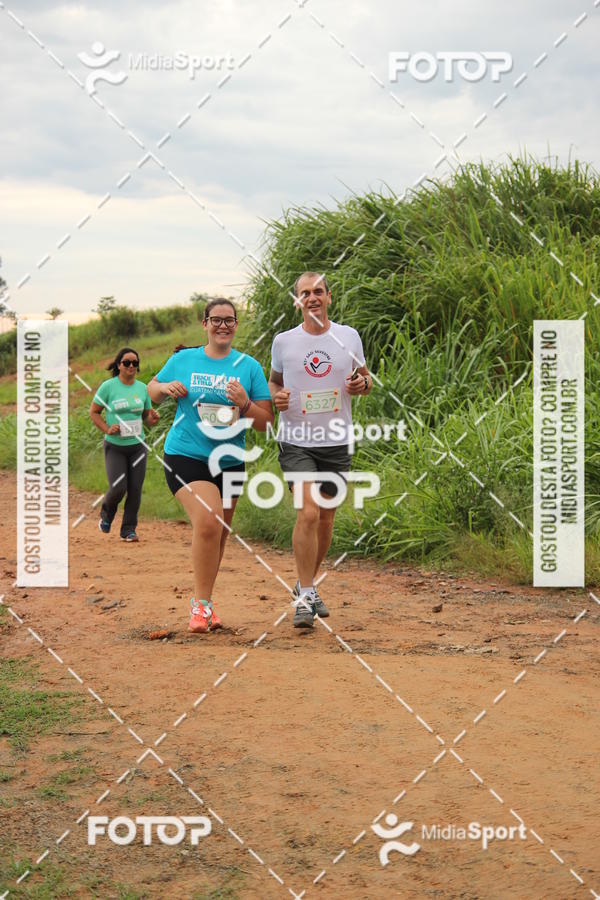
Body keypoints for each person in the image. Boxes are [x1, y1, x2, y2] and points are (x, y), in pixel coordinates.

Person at [147, 298, 273, 634]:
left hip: (230, 462)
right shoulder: (183, 359)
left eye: (229, 320)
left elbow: (265, 423)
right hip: (185, 454)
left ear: (236, 325)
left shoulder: (249, 367)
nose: (222, 325)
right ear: (205, 324)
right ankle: (199, 607)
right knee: (209, 521)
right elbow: (152, 391)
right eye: (215, 319)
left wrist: (245, 403)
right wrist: (163, 386)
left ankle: (207, 603)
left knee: (217, 535)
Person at [268, 272, 372, 629]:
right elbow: (275, 382)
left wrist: (362, 384)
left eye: (318, 292)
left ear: (328, 297)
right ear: (297, 301)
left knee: (326, 519)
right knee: (309, 513)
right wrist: (276, 398)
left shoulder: (348, 336)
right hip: (296, 439)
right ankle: (305, 596)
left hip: (337, 441)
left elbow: (365, 378)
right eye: (304, 293)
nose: (312, 298)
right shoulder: (283, 341)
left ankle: (306, 586)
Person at [90, 347, 160, 541]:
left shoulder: (142, 388)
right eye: (127, 362)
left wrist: (152, 418)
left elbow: (146, 417)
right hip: (115, 447)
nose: (131, 366)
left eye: (135, 363)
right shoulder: (108, 387)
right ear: (119, 365)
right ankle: (107, 514)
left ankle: (129, 529)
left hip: (138, 446)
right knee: (118, 487)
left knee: (135, 489)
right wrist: (107, 428)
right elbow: (94, 412)